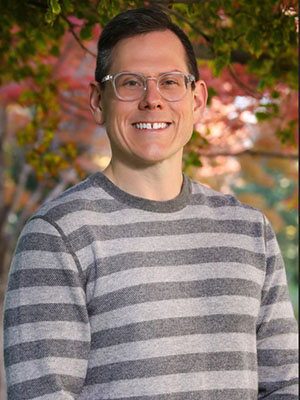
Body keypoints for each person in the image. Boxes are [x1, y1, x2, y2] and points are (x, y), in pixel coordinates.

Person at [3, 6, 298, 400]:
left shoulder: (250, 231)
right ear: (98, 101)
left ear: (196, 100)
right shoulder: (58, 235)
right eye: (130, 83)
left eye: (170, 82)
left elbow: (285, 385)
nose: (152, 100)